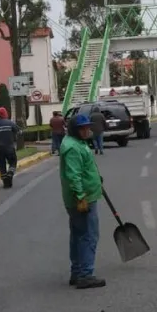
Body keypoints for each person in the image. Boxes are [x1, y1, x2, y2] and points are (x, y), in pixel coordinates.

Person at [60, 112, 105, 289]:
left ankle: (77, 272)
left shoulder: (77, 143)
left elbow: (83, 168)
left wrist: (95, 178)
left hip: (86, 195)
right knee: (88, 236)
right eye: (83, 128)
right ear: (75, 130)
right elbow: (73, 175)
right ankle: (85, 274)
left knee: (78, 235)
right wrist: (81, 196)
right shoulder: (72, 147)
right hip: (83, 199)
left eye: (88, 127)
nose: (87, 130)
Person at [0, 106, 19, 180]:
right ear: (5, 113)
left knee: (1, 165)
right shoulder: (10, 123)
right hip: (9, 148)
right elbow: (17, 131)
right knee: (13, 162)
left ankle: (5, 181)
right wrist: (20, 131)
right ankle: (10, 172)